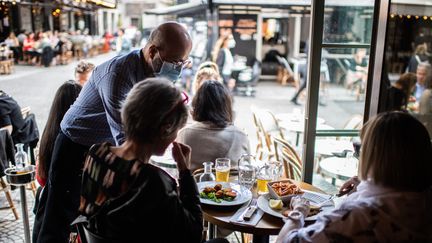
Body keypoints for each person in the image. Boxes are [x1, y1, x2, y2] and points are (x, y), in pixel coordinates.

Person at [36, 22, 192, 243]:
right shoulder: (118, 74)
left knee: (100, 215)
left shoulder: (154, 71)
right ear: (152, 51)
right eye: (175, 62)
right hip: (75, 141)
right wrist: (161, 177)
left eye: (183, 62)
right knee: (59, 216)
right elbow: (128, 140)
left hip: (103, 148)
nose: (178, 68)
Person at [76, 78, 204, 242]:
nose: (175, 137)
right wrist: (185, 172)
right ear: (166, 128)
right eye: (177, 130)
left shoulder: (96, 154)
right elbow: (193, 234)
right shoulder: (152, 181)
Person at [276, 111, 432, 243]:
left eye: (360, 148)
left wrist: (299, 212)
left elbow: (286, 240)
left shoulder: (360, 217)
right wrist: (367, 184)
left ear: (375, 156)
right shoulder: (424, 202)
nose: (358, 154)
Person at [32, 81, 82, 243]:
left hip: (48, 213)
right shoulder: (79, 140)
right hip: (70, 221)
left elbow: (40, 178)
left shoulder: (48, 134)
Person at [177, 80, 250, 171]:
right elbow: (247, 167)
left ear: (197, 105)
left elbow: (178, 168)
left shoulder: (184, 134)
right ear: (227, 106)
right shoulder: (240, 135)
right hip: (229, 184)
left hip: (194, 185)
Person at [0, 90, 39, 158]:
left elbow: (7, 131)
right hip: (23, 132)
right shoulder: (4, 96)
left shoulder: (1, 104)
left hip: (16, 141)